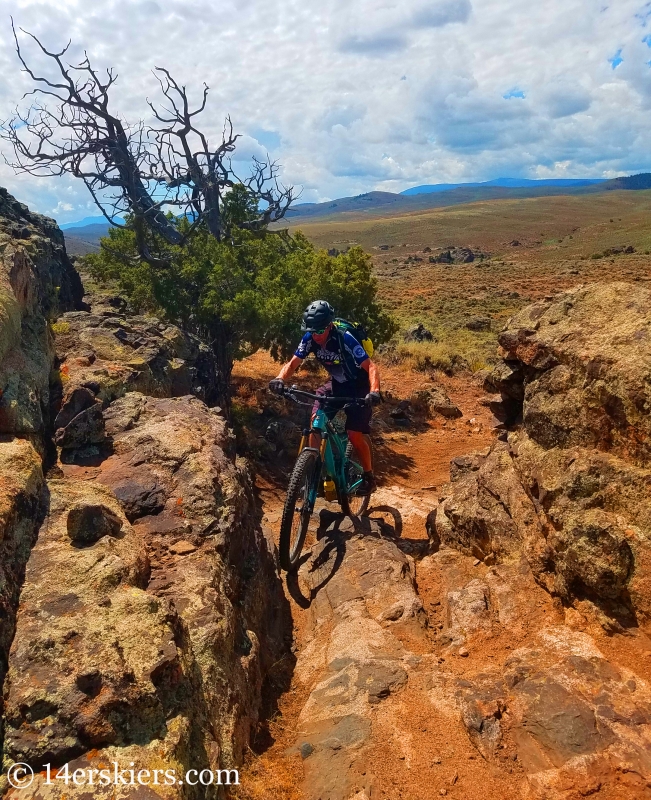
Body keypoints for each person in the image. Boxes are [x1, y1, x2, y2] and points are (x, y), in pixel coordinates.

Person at [269, 300, 381, 495]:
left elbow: (370, 366)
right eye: (312, 331)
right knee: (316, 423)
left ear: (329, 326)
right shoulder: (310, 337)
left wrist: (374, 392)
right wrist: (280, 378)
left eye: (320, 331)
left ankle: (369, 478)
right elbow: (293, 363)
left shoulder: (345, 338)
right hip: (337, 385)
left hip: (360, 388)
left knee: (354, 434)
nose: (316, 336)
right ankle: (313, 473)